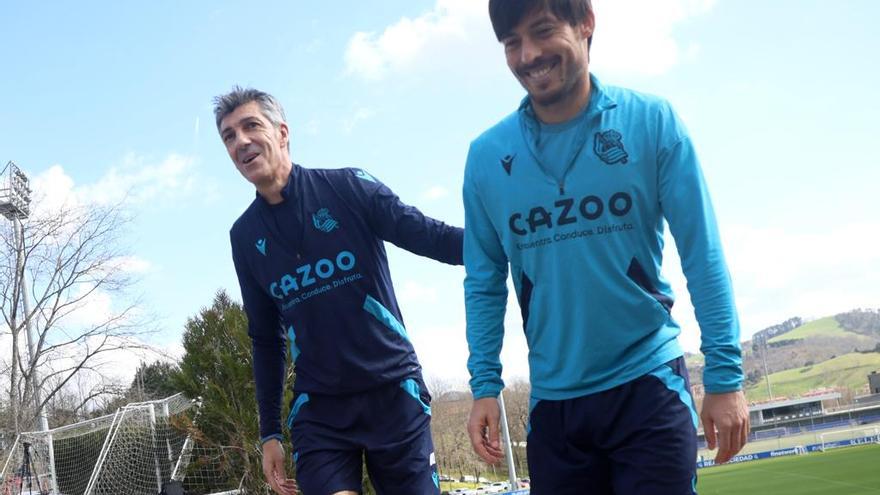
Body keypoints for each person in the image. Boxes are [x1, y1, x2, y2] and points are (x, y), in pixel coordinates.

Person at [462, 1, 749, 493]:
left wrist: (725, 374)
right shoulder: (486, 157)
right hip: (556, 405)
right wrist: (484, 385)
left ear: (586, 25)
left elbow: (702, 254)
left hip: (648, 384)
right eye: (512, 43)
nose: (528, 54)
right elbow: (484, 281)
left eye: (543, 31)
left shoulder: (652, 121)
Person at [215, 87, 462, 495]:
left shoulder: (347, 187)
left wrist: (509, 243)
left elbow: (428, 235)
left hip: (393, 392)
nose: (240, 141)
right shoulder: (244, 236)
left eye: (250, 126)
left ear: (282, 132)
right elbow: (264, 337)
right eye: (228, 136)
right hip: (321, 410)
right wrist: (270, 434)